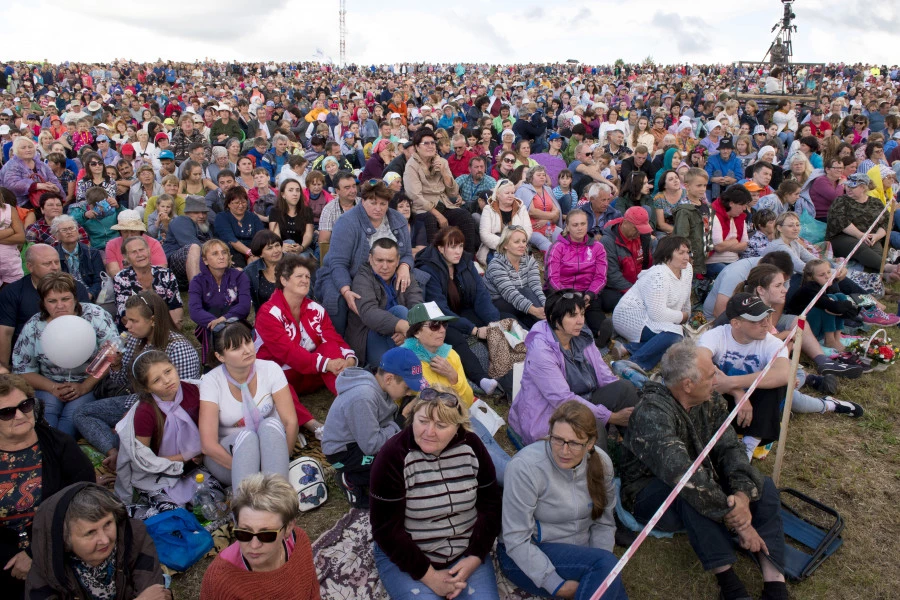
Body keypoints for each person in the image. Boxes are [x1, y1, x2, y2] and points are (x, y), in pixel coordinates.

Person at [620, 341, 788, 600]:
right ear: (688, 384)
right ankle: (729, 584)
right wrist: (740, 523)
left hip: (700, 476)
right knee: (689, 495)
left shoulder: (710, 400)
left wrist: (742, 495)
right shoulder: (652, 413)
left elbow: (730, 448)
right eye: (711, 375)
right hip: (648, 491)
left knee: (761, 486)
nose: (717, 379)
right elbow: (683, 476)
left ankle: (775, 582)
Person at [370, 386, 503, 600]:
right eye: (422, 421)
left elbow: (491, 505)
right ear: (412, 418)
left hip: (466, 549)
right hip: (410, 553)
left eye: (441, 425)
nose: (429, 432)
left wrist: (476, 556)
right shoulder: (392, 456)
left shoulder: (472, 446)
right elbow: (386, 529)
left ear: (458, 426)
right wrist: (430, 577)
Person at [499, 401, 628, 600]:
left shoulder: (602, 464)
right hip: (526, 555)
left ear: (591, 443)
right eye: (557, 439)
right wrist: (556, 585)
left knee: (607, 573)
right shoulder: (525, 468)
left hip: (577, 553)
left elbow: (604, 523)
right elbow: (516, 539)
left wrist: (598, 564)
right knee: (607, 575)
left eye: (575, 443)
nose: (564, 451)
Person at [74, 290, 200, 469]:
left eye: (134, 321)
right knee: (81, 413)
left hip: (164, 409)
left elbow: (181, 395)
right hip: (138, 399)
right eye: (127, 320)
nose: (128, 327)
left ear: (153, 320)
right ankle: (115, 452)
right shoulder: (135, 340)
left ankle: (127, 449)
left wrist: (137, 410)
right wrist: (116, 365)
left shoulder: (178, 348)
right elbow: (124, 382)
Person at [0, 374, 95, 599]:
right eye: (6, 412)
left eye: (25, 405)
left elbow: (85, 500)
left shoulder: (60, 445)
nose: (20, 415)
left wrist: (35, 553)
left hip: (57, 545)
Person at [509, 290, 638, 449]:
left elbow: (602, 373)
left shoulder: (581, 335)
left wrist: (616, 398)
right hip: (550, 415)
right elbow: (563, 400)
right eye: (572, 316)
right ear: (554, 320)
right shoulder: (541, 351)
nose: (580, 321)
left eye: (582, 314)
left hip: (583, 398)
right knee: (589, 424)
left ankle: (638, 450)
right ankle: (597, 470)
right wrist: (610, 417)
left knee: (624, 389)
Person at [255, 254, 356, 431]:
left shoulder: (316, 309)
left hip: (311, 372)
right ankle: (314, 426)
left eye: (308, 276)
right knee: (271, 379)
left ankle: (353, 402)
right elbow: (289, 353)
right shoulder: (268, 313)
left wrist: (348, 359)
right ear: (284, 280)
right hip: (282, 374)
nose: (305, 280)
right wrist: (328, 363)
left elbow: (332, 338)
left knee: (330, 347)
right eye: (299, 276)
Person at [12, 272, 118, 437]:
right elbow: (23, 368)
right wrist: (53, 388)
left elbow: (112, 354)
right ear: (43, 303)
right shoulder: (34, 326)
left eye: (65, 299)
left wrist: (84, 387)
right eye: (52, 301)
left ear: (75, 299)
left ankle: (60, 453)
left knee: (73, 414)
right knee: (48, 411)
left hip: (89, 382)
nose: (60, 306)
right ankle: (49, 454)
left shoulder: (95, 315)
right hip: (49, 385)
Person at [111, 350, 217, 515]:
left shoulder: (193, 391)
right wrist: (185, 457)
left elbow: (212, 424)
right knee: (171, 511)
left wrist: (200, 453)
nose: (167, 381)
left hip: (198, 462)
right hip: (160, 471)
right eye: (156, 380)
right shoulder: (145, 412)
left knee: (213, 499)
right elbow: (144, 458)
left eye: (168, 371)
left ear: (174, 367)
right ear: (147, 387)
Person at [321, 346, 427, 508]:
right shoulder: (363, 396)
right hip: (344, 453)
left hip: (362, 440)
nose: (409, 393)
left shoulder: (380, 384)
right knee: (398, 472)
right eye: (407, 388)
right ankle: (350, 478)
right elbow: (372, 445)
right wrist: (401, 419)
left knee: (407, 457)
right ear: (389, 379)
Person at [25, 482, 170, 600]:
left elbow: (154, 591)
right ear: (65, 539)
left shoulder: (133, 535)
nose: (105, 540)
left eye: (108, 524)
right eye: (90, 532)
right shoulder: (47, 569)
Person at [199, 323, 298, 488]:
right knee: (247, 438)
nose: (247, 350)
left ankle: (278, 496)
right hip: (229, 456)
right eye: (236, 348)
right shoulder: (211, 381)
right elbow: (208, 445)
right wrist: (249, 469)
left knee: (271, 424)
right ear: (220, 356)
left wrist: (282, 458)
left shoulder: (270, 369)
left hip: (270, 447)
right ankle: (247, 504)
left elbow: (291, 422)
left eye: (248, 342)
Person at [315, 180, 413, 336]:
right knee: (337, 299)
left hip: (386, 271)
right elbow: (338, 262)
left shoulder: (398, 219)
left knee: (418, 281)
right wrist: (346, 290)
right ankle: (338, 341)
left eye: (383, 204)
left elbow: (407, 253)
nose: (378, 208)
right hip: (347, 272)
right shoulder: (347, 222)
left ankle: (415, 329)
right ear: (363, 200)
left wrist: (405, 266)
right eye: (373, 203)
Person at [698, 294, 791, 459]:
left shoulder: (773, 343)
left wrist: (731, 382)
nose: (766, 324)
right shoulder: (717, 335)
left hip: (755, 413)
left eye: (767, 316)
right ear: (736, 323)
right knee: (706, 370)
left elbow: (783, 374)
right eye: (757, 320)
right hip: (723, 405)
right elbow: (698, 361)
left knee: (776, 383)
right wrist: (738, 392)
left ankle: (750, 444)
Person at [415, 227, 506, 395]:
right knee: (452, 336)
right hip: (441, 315)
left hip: (464, 308)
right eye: (452, 247)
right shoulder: (429, 268)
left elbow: (481, 294)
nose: (458, 252)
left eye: (460, 246)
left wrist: (493, 321)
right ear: (441, 248)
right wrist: (474, 330)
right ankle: (481, 379)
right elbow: (439, 308)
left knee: (500, 316)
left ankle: (507, 364)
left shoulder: (465, 261)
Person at [200, 473, 321, 600]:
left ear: (288, 528)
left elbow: (312, 592)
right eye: (244, 532)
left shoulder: (299, 543)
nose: (254, 545)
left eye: (266, 535)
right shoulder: (220, 580)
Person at [612, 236, 693, 372]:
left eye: (688, 252)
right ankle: (635, 362)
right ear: (667, 255)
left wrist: (687, 317)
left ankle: (627, 348)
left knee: (681, 341)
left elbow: (686, 296)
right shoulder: (659, 275)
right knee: (675, 337)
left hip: (658, 318)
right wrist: (682, 317)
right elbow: (657, 314)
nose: (686, 257)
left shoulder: (687, 269)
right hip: (632, 316)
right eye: (681, 253)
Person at [345, 238, 423, 367]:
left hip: (405, 334)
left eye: (390, 261)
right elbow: (369, 313)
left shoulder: (404, 275)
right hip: (370, 336)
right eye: (379, 260)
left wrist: (407, 331)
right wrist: (401, 326)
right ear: (370, 258)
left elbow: (417, 304)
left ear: (398, 260)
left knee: (404, 312)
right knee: (400, 311)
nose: (385, 267)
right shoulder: (363, 278)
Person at [404, 128, 480, 254]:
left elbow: (453, 193)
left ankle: (468, 258)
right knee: (430, 220)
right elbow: (415, 196)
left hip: (444, 204)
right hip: (423, 208)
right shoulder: (412, 166)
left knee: (464, 217)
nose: (430, 146)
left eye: (433, 143)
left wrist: (444, 172)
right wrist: (439, 215)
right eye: (426, 143)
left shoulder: (442, 162)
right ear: (417, 147)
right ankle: (434, 261)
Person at [545, 209, 612, 341]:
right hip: (562, 293)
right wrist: (568, 296)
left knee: (597, 321)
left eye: (583, 224)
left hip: (586, 292)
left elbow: (601, 276)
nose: (579, 228)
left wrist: (590, 295)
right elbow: (552, 277)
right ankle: (576, 333)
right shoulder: (557, 247)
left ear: (588, 225)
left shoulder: (597, 247)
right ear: (567, 227)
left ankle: (598, 336)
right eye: (575, 225)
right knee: (568, 316)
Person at [188, 239, 251, 363]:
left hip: (236, 321)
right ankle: (212, 363)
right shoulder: (198, 281)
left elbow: (244, 306)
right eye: (215, 254)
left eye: (224, 253)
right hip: (210, 326)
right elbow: (194, 310)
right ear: (205, 260)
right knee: (213, 328)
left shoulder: (239, 276)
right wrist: (215, 323)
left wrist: (224, 319)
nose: (221, 257)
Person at [826, 173, 897, 275]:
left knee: (877, 252)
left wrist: (877, 236)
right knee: (860, 247)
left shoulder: (876, 203)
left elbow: (887, 221)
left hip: (869, 237)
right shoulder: (841, 201)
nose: (848, 189)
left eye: (852, 187)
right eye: (847, 186)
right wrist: (860, 235)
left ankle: (884, 276)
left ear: (863, 188)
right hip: (842, 238)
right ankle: (888, 267)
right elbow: (841, 221)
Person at [113, 236, 183, 329]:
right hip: (135, 330)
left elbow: (175, 305)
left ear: (148, 251)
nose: (139, 255)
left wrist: (172, 327)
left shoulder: (166, 274)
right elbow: (125, 315)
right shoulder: (121, 278)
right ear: (126, 257)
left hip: (165, 326)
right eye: (133, 252)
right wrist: (153, 331)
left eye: (141, 250)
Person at [485, 226, 546, 328]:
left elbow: (536, 288)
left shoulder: (530, 261)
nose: (522, 245)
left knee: (531, 319)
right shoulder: (496, 264)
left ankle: (548, 330)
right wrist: (535, 311)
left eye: (524, 241)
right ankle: (551, 330)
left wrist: (546, 308)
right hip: (499, 303)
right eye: (517, 242)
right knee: (525, 291)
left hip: (522, 304)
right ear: (505, 245)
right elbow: (510, 293)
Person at [599, 207, 654, 313]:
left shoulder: (644, 236)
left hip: (639, 283)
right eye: (636, 229)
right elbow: (613, 276)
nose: (639, 233)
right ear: (625, 222)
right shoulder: (607, 241)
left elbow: (649, 265)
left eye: (642, 229)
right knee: (609, 300)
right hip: (618, 288)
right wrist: (636, 293)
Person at [162, 195, 213, 288]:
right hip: (172, 268)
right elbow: (190, 243)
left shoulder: (205, 226)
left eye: (204, 212)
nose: (201, 216)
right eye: (196, 212)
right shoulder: (181, 220)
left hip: (196, 267)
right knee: (194, 247)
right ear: (187, 213)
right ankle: (196, 294)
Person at [477, 179, 533, 264]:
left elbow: (528, 229)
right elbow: (485, 235)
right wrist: (506, 244)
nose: (511, 195)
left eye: (512, 193)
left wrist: (517, 243)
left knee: (522, 266)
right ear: (498, 194)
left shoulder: (521, 208)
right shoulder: (488, 209)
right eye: (507, 193)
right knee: (499, 265)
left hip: (518, 245)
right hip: (495, 246)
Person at [51, 214, 105, 302]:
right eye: (64, 230)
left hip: (89, 296)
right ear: (57, 235)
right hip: (63, 297)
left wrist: (90, 294)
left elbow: (99, 280)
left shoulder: (92, 252)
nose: (69, 232)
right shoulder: (53, 255)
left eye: (72, 228)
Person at [672, 168, 714, 276]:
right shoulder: (684, 210)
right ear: (687, 186)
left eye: (705, 185)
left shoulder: (706, 207)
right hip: (690, 258)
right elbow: (682, 236)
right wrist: (687, 255)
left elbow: (708, 230)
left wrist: (709, 247)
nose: (703, 189)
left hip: (702, 255)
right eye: (699, 185)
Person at [0, 137, 62, 208]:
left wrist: (57, 189)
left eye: (30, 147)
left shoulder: (42, 165)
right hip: (20, 204)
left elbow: (54, 180)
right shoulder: (11, 165)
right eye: (23, 148)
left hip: (44, 201)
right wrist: (36, 186)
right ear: (16, 150)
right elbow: (12, 184)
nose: (28, 150)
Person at [104, 209, 168, 277]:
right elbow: (114, 272)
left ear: (140, 231)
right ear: (120, 232)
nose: (129, 235)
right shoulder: (111, 245)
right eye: (125, 231)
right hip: (123, 284)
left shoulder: (154, 243)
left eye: (133, 231)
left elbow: (161, 270)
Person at [707, 185, 751, 276]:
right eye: (742, 205)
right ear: (731, 203)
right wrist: (735, 241)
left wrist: (726, 244)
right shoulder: (715, 216)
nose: (744, 209)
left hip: (734, 260)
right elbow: (718, 247)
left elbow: (745, 245)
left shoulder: (740, 218)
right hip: (714, 262)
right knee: (731, 274)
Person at [215, 186, 264, 268]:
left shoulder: (253, 217)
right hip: (232, 251)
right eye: (237, 203)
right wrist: (249, 253)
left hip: (253, 250)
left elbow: (261, 235)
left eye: (243, 202)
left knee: (256, 261)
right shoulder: (221, 217)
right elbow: (231, 240)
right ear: (229, 204)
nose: (241, 206)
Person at [244, 230, 283, 312]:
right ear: (260, 253)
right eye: (270, 248)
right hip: (266, 317)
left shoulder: (294, 264)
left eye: (277, 245)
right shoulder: (250, 271)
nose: (276, 250)